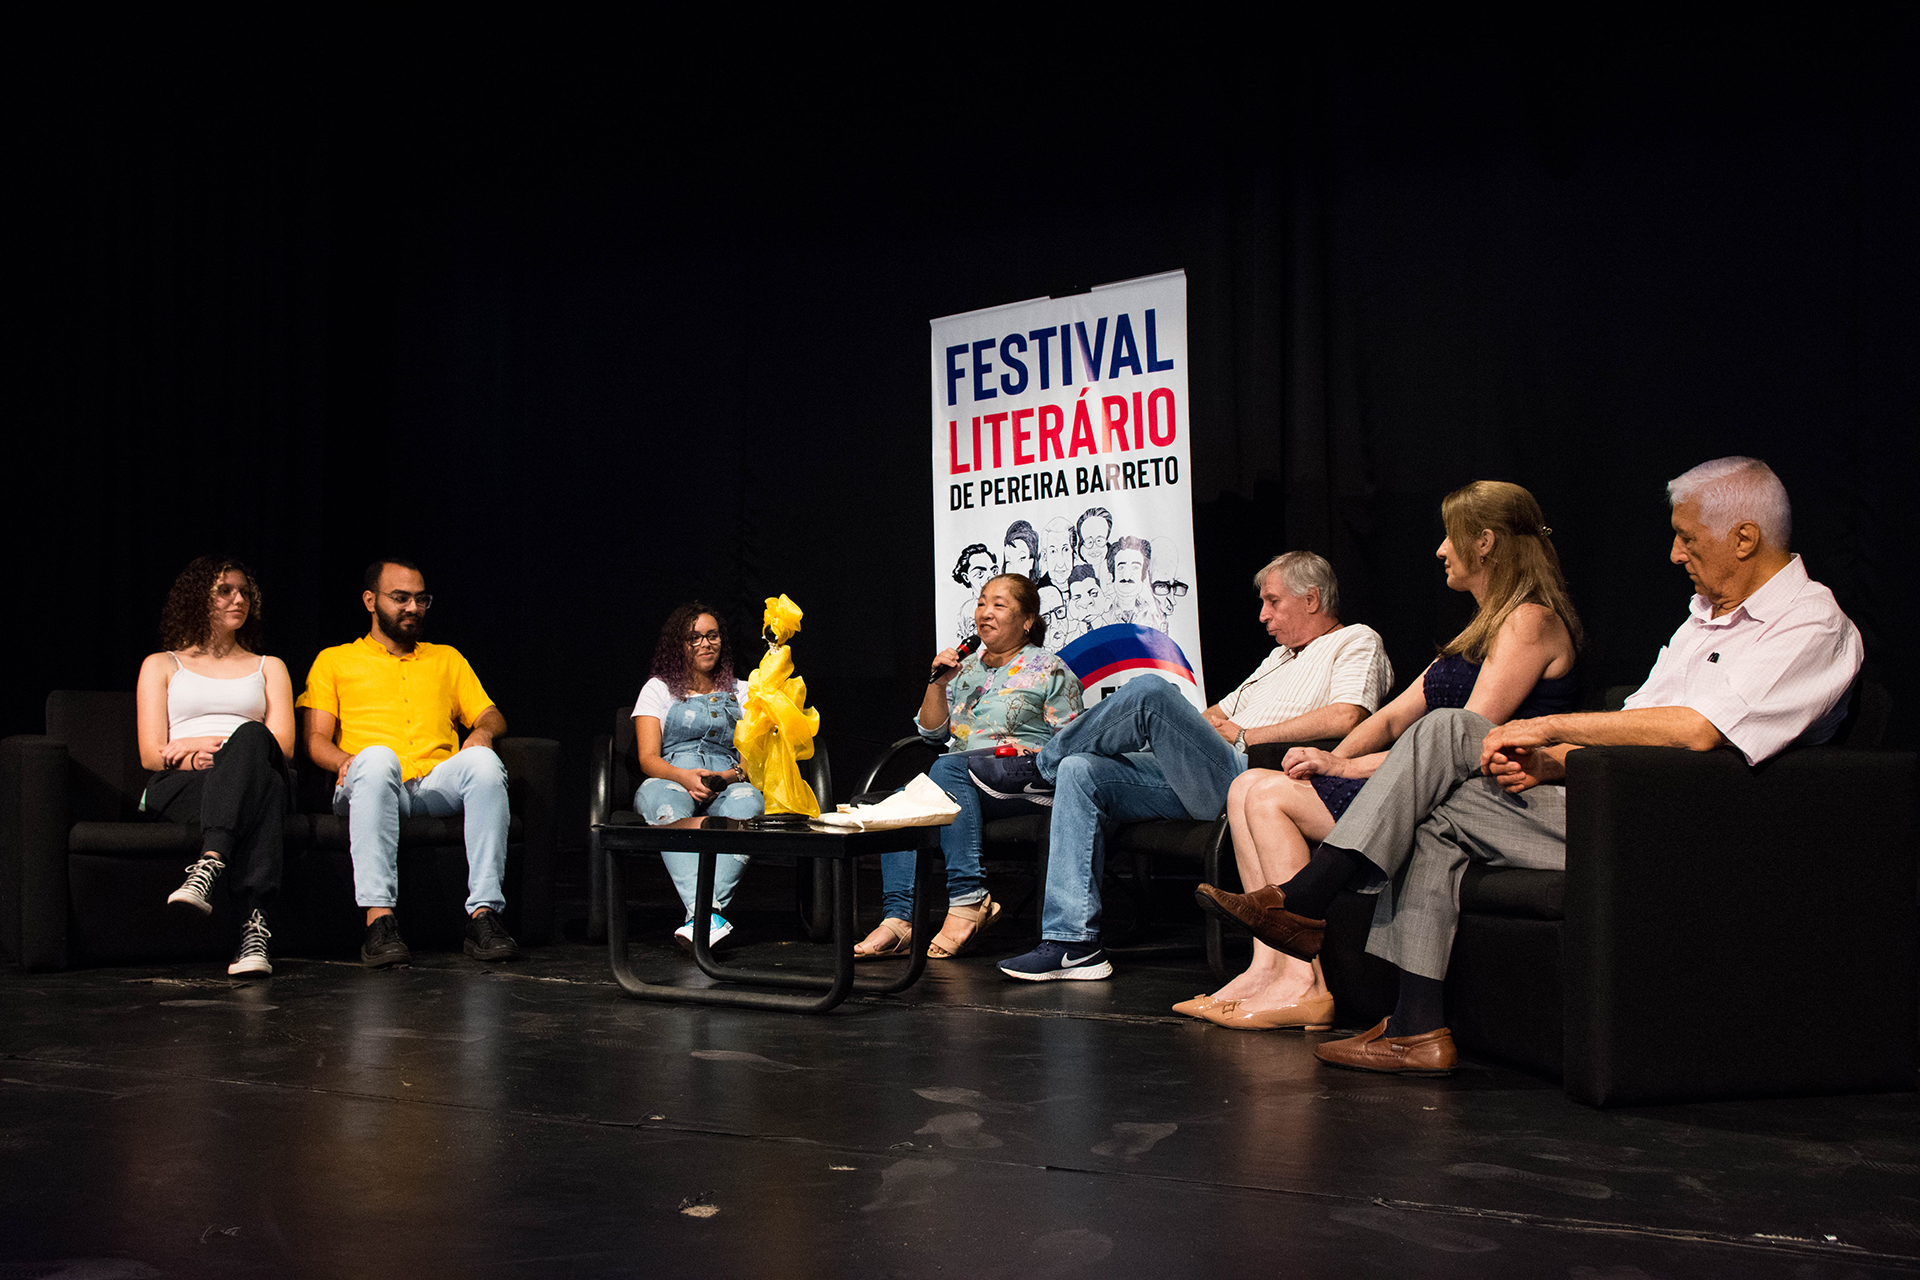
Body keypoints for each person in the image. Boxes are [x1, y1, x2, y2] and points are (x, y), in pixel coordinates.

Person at [1201, 459, 1862, 1076]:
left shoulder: (1810, 628)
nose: (1675, 554)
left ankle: (1308, 899)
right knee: (1436, 813)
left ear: (1743, 538)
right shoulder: (1704, 622)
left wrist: (1550, 729)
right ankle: (1416, 1027)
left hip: (1680, 827)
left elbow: (1695, 733)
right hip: (1610, 799)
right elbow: (1637, 730)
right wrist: (1552, 765)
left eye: (1687, 539)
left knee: (1455, 729)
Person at [1189, 483, 1580, 1030]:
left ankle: (1307, 979)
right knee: (1250, 783)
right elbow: (1393, 718)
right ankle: (1268, 969)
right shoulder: (1480, 628)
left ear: (1485, 542)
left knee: (1269, 795)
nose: (1441, 550)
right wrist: (1320, 761)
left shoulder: (1529, 621)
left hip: (1485, 794)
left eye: (1451, 536)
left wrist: (1344, 767)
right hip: (1436, 782)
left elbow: (1464, 744)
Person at [995, 552, 1394, 981]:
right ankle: (1072, 944)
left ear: (1312, 599)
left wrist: (1246, 735)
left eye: (1273, 602)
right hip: (1206, 773)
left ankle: (1040, 768)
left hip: (1254, 779)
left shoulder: (1356, 640)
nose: (1263, 615)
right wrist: (1200, 731)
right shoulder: (1278, 659)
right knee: (1081, 769)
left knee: (1149, 690)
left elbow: (1346, 716)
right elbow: (1211, 717)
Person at [298, 559, 521, 968]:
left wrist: (483, 733)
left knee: (484, 764)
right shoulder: (334, 660)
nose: (413, 608)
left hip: (433, 783)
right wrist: (346, 760)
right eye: (400, 598)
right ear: (371, 600)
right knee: (379, 758)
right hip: (370, 783)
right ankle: (378, 921)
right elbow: (314, 739)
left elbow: (490, 715)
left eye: (421, 599)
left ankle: (484, 915)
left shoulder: (446, 658)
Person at [853, 574, 1084, 961]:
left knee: (945, 771)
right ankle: (899, 920)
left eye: (998, 604)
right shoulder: (966, 670)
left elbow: (1074, 745)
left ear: (1027, 619)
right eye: (980, 603)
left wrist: (1031, 750)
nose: (985, 613)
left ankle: (968, 899)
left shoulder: (1050, 669)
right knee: (898, 805)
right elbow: (932, 733)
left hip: (1026, 780)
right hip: (964, 780)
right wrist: (938, 684)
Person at [136, 556, 295, 977]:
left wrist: (228, 753)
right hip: (185, 782)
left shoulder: (269, 666)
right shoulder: (162, 664)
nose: (238, 599)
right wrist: (187, 750)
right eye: (225, 590)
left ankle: (209, 863)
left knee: (254, 737)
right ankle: (254, 933)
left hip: (255, 764)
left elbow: (284, 746)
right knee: (269, 791)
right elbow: (152, 754)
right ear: (198, 599)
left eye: (244, 591)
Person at [632, 603, 764, 951]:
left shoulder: (744, 691)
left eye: (712, 635)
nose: (706, 644)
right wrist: (684, 777)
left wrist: (727, 776)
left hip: (728, 777)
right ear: (680, 645)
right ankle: (709, 916)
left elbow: (753, 759)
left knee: (749, 805)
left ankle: (701, 918)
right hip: (672, 774)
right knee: (663, 806)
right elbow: (647, 758)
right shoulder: (659, 690)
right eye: (694, 638)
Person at [1097, 536, 1167, 631]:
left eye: (1135, 568)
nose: (1127, 576)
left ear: (1144, 576)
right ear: (1111, 576)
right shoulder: (1101, 613)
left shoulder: (1156, 614)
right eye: (1121, 568)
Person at [952, 543, 997, 642]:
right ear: (966, 577)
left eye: (994, 571)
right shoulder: (966, 610)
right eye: (980, 573)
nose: (990, 577)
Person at [1058, 564, 1104, 645]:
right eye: (1077, 598)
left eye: (1093, 594)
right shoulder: (1069, 641)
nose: (1085, 603)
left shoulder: (1114, 631)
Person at [1074, 508, 1114, 586]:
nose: (1095, 547)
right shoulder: (1076, 577)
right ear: (1081, 548)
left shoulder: (1117, 574)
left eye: (1099, 541)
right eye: (1089, 542)